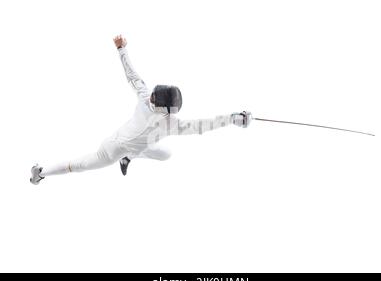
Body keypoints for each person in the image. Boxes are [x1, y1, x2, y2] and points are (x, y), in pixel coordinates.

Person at [30, 35, 251, 185]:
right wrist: (121, 49)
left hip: (134, 145)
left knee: (166, 154)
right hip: (112, 149)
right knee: (80, 166)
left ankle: (130, 157)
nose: (152, 95)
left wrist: (232, 119)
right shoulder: (160, 112)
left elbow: (203, 125)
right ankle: (40, 174)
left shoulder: (164, 117)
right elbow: (133, 77)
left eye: (157, 96)